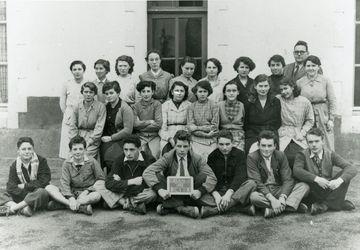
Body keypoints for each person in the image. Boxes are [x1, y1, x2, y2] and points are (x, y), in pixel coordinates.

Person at [143, 130, 217, 219]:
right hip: (172, 191)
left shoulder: (197, 158)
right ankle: (183, 208)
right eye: (179, 146)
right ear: (174, 146)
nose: (182, 150)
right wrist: (159, 190)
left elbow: (212, 177)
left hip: (191, 191)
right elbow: (147, 172)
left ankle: (171, 207)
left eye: (185, 146)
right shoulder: (168, 157)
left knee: (203, 176)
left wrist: (200, 191)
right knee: (157, 176)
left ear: (190, 146)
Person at [293, 128, 357, 215]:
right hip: (312, 190)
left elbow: (351, 168)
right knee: (305, 186)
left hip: (327, 188)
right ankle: (337, 203)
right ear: (307, 142)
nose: (314, 145)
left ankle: (324, 206)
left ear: (323, 141)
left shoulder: (330, 154)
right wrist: (317, 179)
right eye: (310, 142)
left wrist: (339, 181)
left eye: (317, 141)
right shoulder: (302, 155)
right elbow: (297, 170)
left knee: (345, 176)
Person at [247, 130, 310, 218]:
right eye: (263, 145)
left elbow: (287, 179)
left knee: (304, 187)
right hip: (263, 190)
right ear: (258, 145)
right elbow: (257, 182)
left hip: (278, 189)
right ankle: (291, 205)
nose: (266, 149)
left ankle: (273, 210)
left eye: (269, 146)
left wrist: (282, 197)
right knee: (253, 197)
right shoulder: (252, 157)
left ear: (275, 146)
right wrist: (272, 199)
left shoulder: (280, 155)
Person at [45, 135, 105, 215]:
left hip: (86, 195)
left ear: (85, 150)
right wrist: (71, 197)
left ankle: (64, 204)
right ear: (70, 151)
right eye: (75, 149)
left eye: (81, 149)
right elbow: (64, 183)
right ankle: (80, 207)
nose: (78, 152)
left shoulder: (92, 162)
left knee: (97, 196)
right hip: (71, 192)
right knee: (49, 188)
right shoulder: (67, 163)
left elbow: (101, 179)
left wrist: (87, 191)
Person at [206, 130, 257, 217]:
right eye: (221, 144)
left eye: (227, 144)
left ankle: (216, 210)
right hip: (219, 191)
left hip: (235, 190)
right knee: (199, 192)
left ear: (232, 143)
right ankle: (238, 207)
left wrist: (229, 193)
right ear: (217, 144)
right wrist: (215, 194)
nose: (224, 148)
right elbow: (209, 177)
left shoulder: (240, 154)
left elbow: (240, 176)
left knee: (251, 184)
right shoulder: (212, 156)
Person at [102, 135, 157, 214]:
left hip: (138, 192)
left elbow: (150, 182)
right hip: (125, 191)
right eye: (125, 150)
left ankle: (123, 202)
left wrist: (122, 183)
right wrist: (131, 182)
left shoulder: (149, 160)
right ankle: (135, 204)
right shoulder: (119, 160)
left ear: (140, 148)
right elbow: (109, 183)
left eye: (132, 150)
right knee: (100, 185)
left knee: (153, 194)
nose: (128, 153)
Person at [0, 137, 50, 217]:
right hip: (23, 196)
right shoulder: (14, 165)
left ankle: (13, 208)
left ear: (33, 150)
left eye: (29, 149)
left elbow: (44, 181)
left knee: (43, 192)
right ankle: (24, 208)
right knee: (2, 193)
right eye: (23, 149)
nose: (27, 152)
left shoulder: (41, 161)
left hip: (36, 194)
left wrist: (25, 186)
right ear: (18, 151)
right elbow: (11, 187)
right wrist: (27, 195)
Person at [297, 55, 336, 150]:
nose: (311, 68)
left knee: (325, 139)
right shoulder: (299, 82)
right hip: (306, 114)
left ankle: (327, 163)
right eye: (308, 66)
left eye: (314, 66)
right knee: (307, 139)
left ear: (318, 67)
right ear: (305, 67)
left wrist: (331, 119)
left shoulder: (325, 80)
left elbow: (332, 100)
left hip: (322, 113)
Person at [277, 78, 314, 168]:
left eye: (286, 88)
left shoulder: (304, 101)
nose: (283, 92)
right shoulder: (278, 100)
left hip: (299, 134)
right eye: (281, 89)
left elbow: (310, 120)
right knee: (282, 156)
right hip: (283, 134)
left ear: (292, 87)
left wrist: (303, 132)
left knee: (303, 155)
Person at [100, 81, 134, 171]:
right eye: (106, 94)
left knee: (111, 156)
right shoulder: (105, 107)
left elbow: (128, 130)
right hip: (106, 139)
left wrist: (111, 138)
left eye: (111, 93)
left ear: (118, 93)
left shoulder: (125, 108)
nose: (109, 96)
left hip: (121, 139)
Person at [244, 74, 281, 154]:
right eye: (260, 86)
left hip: (270, 133)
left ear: (269, 86)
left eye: (265, 86)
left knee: (271, 152)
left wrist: (268, 134)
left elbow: (278, 123)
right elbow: (246, 124)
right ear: (255, 86)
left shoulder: (275, 101)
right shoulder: (249, 102)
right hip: (253, 134)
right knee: (253, 152)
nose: (263, 89)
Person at [69, 82, 106, 159]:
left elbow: (99, 127)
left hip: (93, 138)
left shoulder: (100, 107)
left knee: (86, 156)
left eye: (91, 92)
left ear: (94, 94)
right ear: (82, 92)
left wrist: (89, 142)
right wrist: (75, 141)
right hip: (78, 136)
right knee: (72, 156)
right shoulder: (77, 106)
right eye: (86, 92)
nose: (88, 94)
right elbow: (73, 125)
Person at [59, 60, 87, 159]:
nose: (77, 71)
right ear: (71, 71)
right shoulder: (67, 84)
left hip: (84, 114)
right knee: (68, 141)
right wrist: (67, 114)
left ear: (84, 70)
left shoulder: (88, 83)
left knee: (81, 141)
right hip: (69, 114)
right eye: (74, 69)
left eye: (79, 69)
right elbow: (62, 102)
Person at [187, 80, 219, 158]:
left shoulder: (214, 105)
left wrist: (196, 128)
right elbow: (190, 127)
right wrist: (206, 134)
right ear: (195, 93)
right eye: (200, 91)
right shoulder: (191, 107)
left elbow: (214, 127)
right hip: (195, 139)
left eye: (205, 91)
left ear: (208, 92)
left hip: (211, 140)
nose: (202, 94)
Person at [159, 81, 191, 155]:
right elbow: (162, 127)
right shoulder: (165, 105)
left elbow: (190, 125)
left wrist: (184, 137)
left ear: (185, 93)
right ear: (172, 92)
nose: (179, 93)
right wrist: (170, 139)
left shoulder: (189, 105)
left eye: (182, 91)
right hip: (168, 135)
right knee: (166, 154)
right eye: (177, 91)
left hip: (184, 134)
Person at [133, 81, 162, 160]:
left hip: (154, 136)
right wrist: (149, 122)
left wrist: (141, 125)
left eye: (148, 91)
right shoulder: (136, 106)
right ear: (140, 93)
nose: (146, 94)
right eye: (143, 91)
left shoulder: (157, 104)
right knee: (139, 157)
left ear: (152, 92)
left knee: (156, 156)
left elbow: (158, 124)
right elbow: (135, 124)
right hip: (141, 136)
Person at [218, 81, 246, 151]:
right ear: (224, 93)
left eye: (234, 91)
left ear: (238, 92)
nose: (231, 93)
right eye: (228, 91)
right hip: (223, 135)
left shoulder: (242, 105)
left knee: (238, 154)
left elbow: (245, 122)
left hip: (238, 136)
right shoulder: (219, 105)